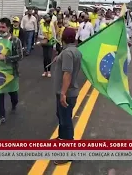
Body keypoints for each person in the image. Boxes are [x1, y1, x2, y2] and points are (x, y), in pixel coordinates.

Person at [53, 27, 82, 165]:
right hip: (69, 92)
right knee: (61, 116)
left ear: (63, 38)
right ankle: (61, 139)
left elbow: (67, 73)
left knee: (66, 121)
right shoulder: (74, 51)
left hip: (67, 93)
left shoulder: (67, 53)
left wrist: (63, 93)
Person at [0, 18, 23, 126]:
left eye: (3, 27)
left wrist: (6, 58)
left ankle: (14, 103)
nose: (0, 29)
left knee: (13, 94)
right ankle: (1, 116)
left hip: (12, 72)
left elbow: (20, 56)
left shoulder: (15, 40)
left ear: (9, 28)